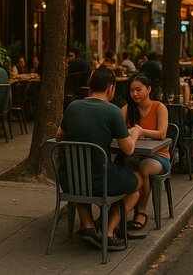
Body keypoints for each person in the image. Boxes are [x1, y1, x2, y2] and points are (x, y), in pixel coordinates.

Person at [56, 68, 143, 251]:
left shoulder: (73, 106)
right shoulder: (112, 111)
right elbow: (128, 149)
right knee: (137, 183)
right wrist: (135, 133)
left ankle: (88, 226)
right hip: (100, 181)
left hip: (69, 180)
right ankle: (108, 231)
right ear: (111, 88)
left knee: (81, 179)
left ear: (90, 86)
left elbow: (58, 137)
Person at [120, 75, 168, 231]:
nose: (135, 94)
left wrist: (140, 131)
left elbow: (161, 133)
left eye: (138, 90)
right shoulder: (127, 109)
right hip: (134, 154)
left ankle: (140, 213)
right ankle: (117, 214)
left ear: (148, 89)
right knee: (125, 166)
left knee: (144, 168)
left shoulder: (159, 107)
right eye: (132, 90)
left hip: (158, 156)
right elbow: (120, 133)